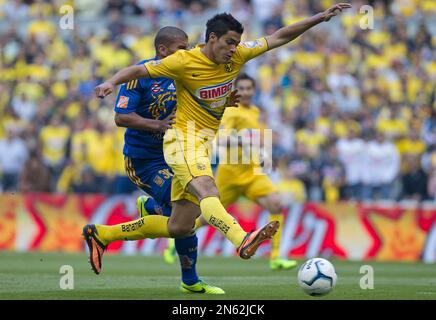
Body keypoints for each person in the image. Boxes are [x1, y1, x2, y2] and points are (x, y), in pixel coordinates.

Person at [90, 4, 352, 275]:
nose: (233, 48)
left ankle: (103, 234)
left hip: (203, 141)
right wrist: (111, 81)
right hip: (182, 140)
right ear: (211, 39)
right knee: (208, 191)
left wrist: (319, 18)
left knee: (181, 225)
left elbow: (279, 37)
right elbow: (139, 71)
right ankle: (242, 240)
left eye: (236, 43)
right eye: (229, 42)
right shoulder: (184, 60)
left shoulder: (236, 56)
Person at [84, 26, 224, 294]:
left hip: (175, 155)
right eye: (181, 48)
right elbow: (121, 117)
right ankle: (190, 280)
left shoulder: (184, 71)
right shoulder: (142, 76)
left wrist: (224, 100)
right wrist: (158, 124)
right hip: (144, 161)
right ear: (163, 50)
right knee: (186, 213)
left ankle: (115, 229)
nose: (187, 52)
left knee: (184, 220)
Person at [198, 73, 297, 270]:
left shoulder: (255, 111)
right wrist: (243, 141)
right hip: (230, 175)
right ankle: (174, 240)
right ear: (236, 91)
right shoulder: (231, 111)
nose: (245, 92)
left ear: (254, 90)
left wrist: (263, 155)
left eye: (248, 88)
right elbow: (221, 140)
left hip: (252, 173)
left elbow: (256, 141)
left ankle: (276, 257)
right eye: (241, 89)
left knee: (276, 204)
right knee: (206, 217)